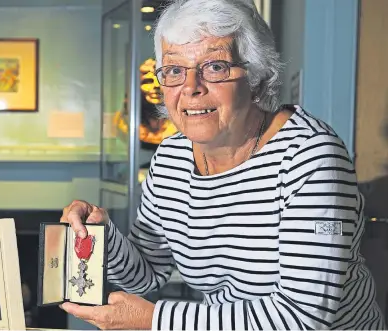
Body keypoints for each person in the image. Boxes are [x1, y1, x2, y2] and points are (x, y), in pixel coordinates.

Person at [59, 0, 387, 330]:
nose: (191, 88)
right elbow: (146, 274)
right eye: (174, 71)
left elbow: (303, 318)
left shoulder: (310, 156)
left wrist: (156, 319)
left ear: (256, 75)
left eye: (215, 67)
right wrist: (100, 234)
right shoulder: (171, 158)